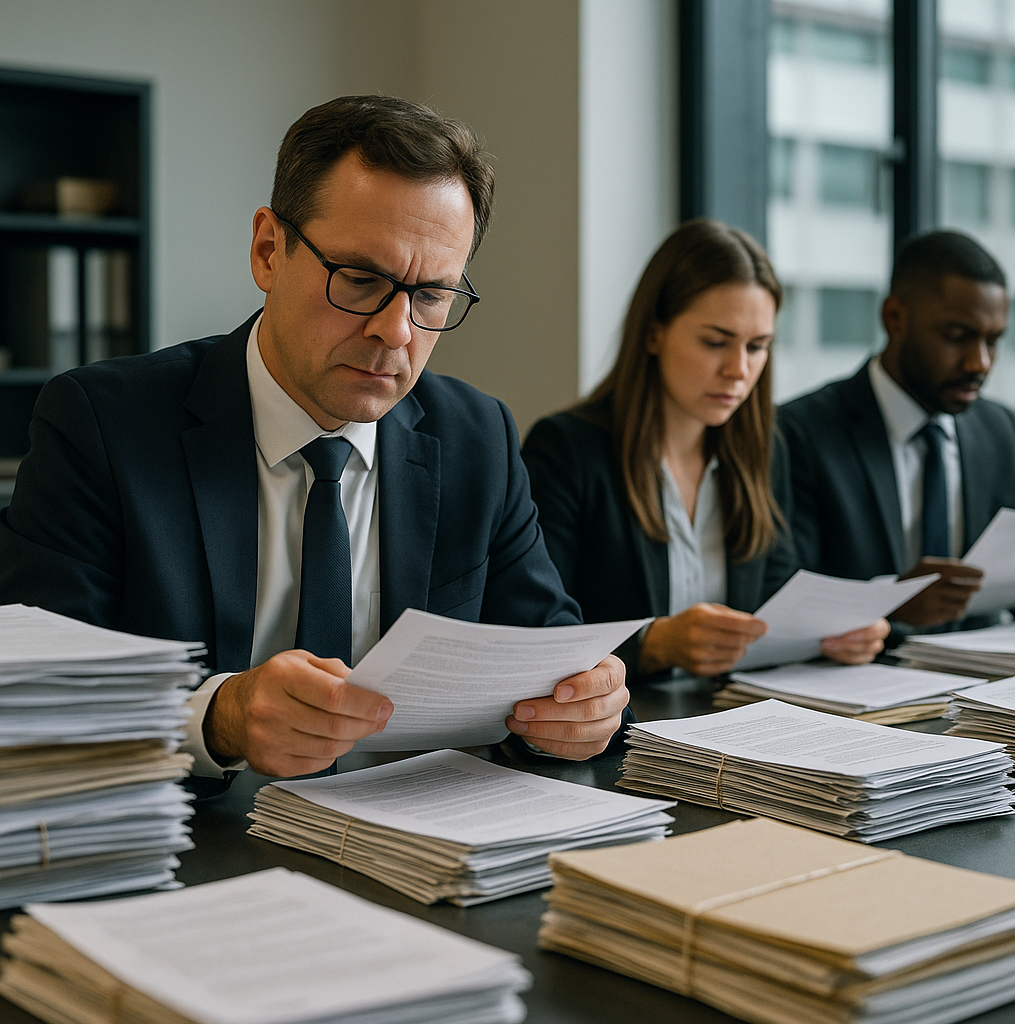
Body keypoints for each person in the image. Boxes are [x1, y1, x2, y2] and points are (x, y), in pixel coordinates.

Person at [0, 95, 629, 781]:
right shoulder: (103, 423)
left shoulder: (477, 437)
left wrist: (583, 710)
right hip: (196, 849)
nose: (397, 331)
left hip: (416, 843)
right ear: (269, 251)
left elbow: (552, 661)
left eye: (431, 296)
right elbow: (37, 694)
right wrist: (221, 715)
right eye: (360, 280)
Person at [522, 219, 887, 680]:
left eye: (758, 347)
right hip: (617, 732)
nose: (738, 369)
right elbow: (537, 630)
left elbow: (773, 604)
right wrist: (654, 645)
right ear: (654, 333)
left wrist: (832, 633)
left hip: (725, 724)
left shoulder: (763, 449)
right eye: (716, 342)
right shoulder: (568, 450)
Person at [778, 230, 1015, 637]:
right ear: (894, 318)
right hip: (850, 685)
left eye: (993, 341)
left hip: (982, 685)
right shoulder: (800, 433)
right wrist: (893, 602)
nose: (979, 363)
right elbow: (784, 598)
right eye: (957, 337)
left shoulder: (1002, 430)